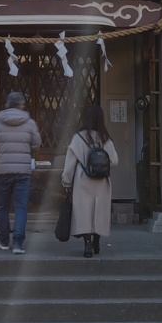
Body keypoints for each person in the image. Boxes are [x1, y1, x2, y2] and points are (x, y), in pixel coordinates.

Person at [0, 91, 41, 255]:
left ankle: (3, 240)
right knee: (21, 207)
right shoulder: (30, 123)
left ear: (6, 104)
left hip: (2, 171)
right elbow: (36, 144)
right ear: (22, 105)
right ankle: (18, 243)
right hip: (22, 171)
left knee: (2, 207)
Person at [61, 103, 119, 258]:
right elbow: (114, 161)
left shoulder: (78, 138)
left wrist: (67, 182)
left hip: (83, 180)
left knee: (84, 212)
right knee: (99, 211)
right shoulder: (105, 139)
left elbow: (69, 164)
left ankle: (87, 244)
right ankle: (96, 241)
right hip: (102, 181)